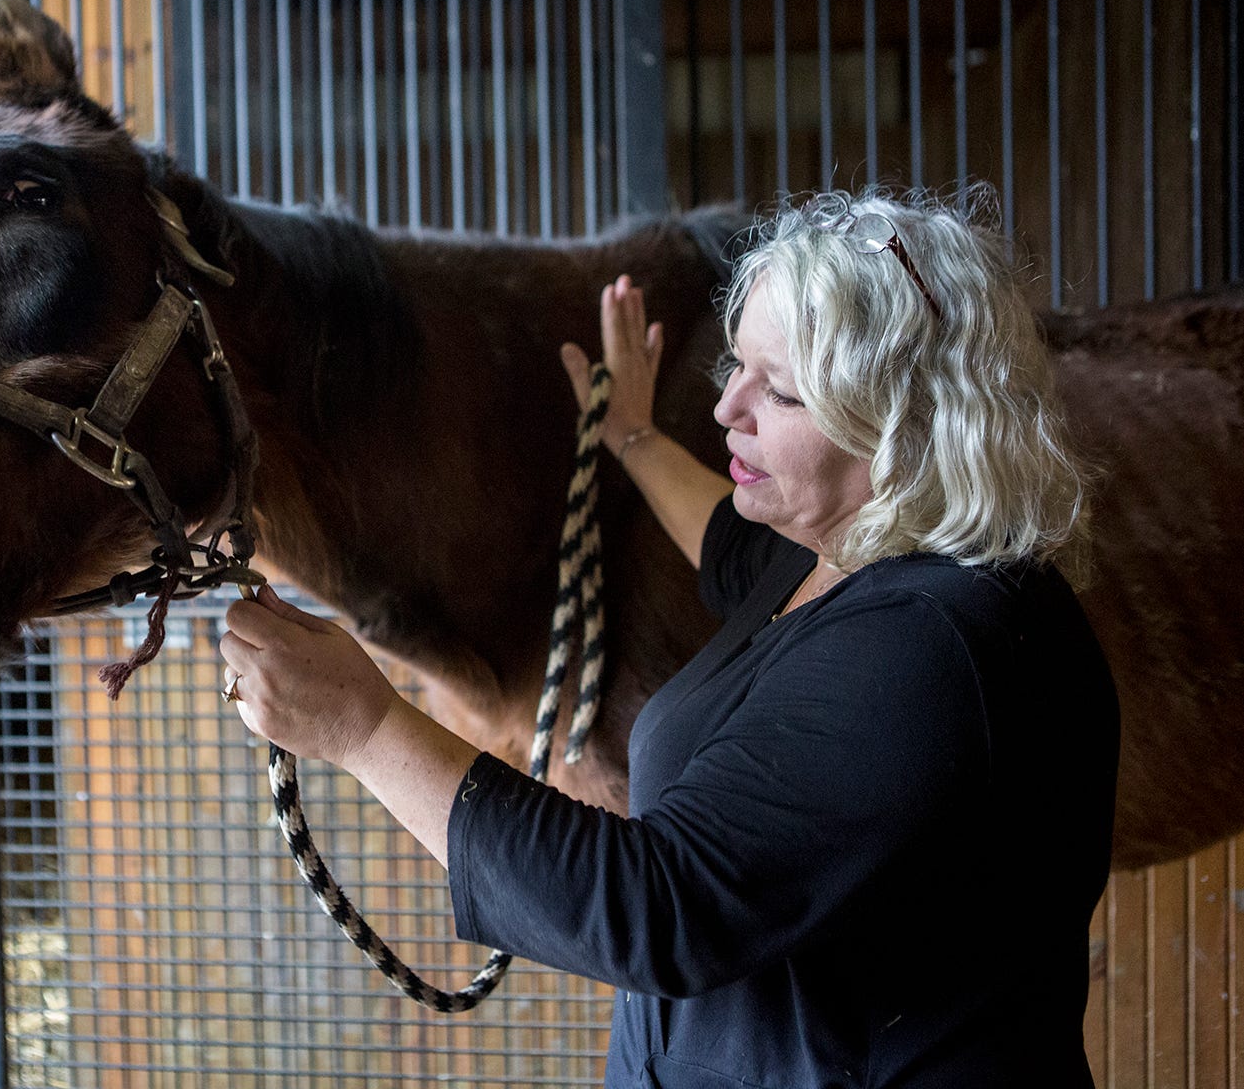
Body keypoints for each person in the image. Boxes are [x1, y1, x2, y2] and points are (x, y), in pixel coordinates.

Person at [219, 189, 1119, 1088]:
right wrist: (636, 438)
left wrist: (366, 728)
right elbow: (729, 550)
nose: (727, 408)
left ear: (898, 425)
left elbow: (659, 910)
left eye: (781, 391)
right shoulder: (840, 558)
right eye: (736, 366)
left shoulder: (930, 644)